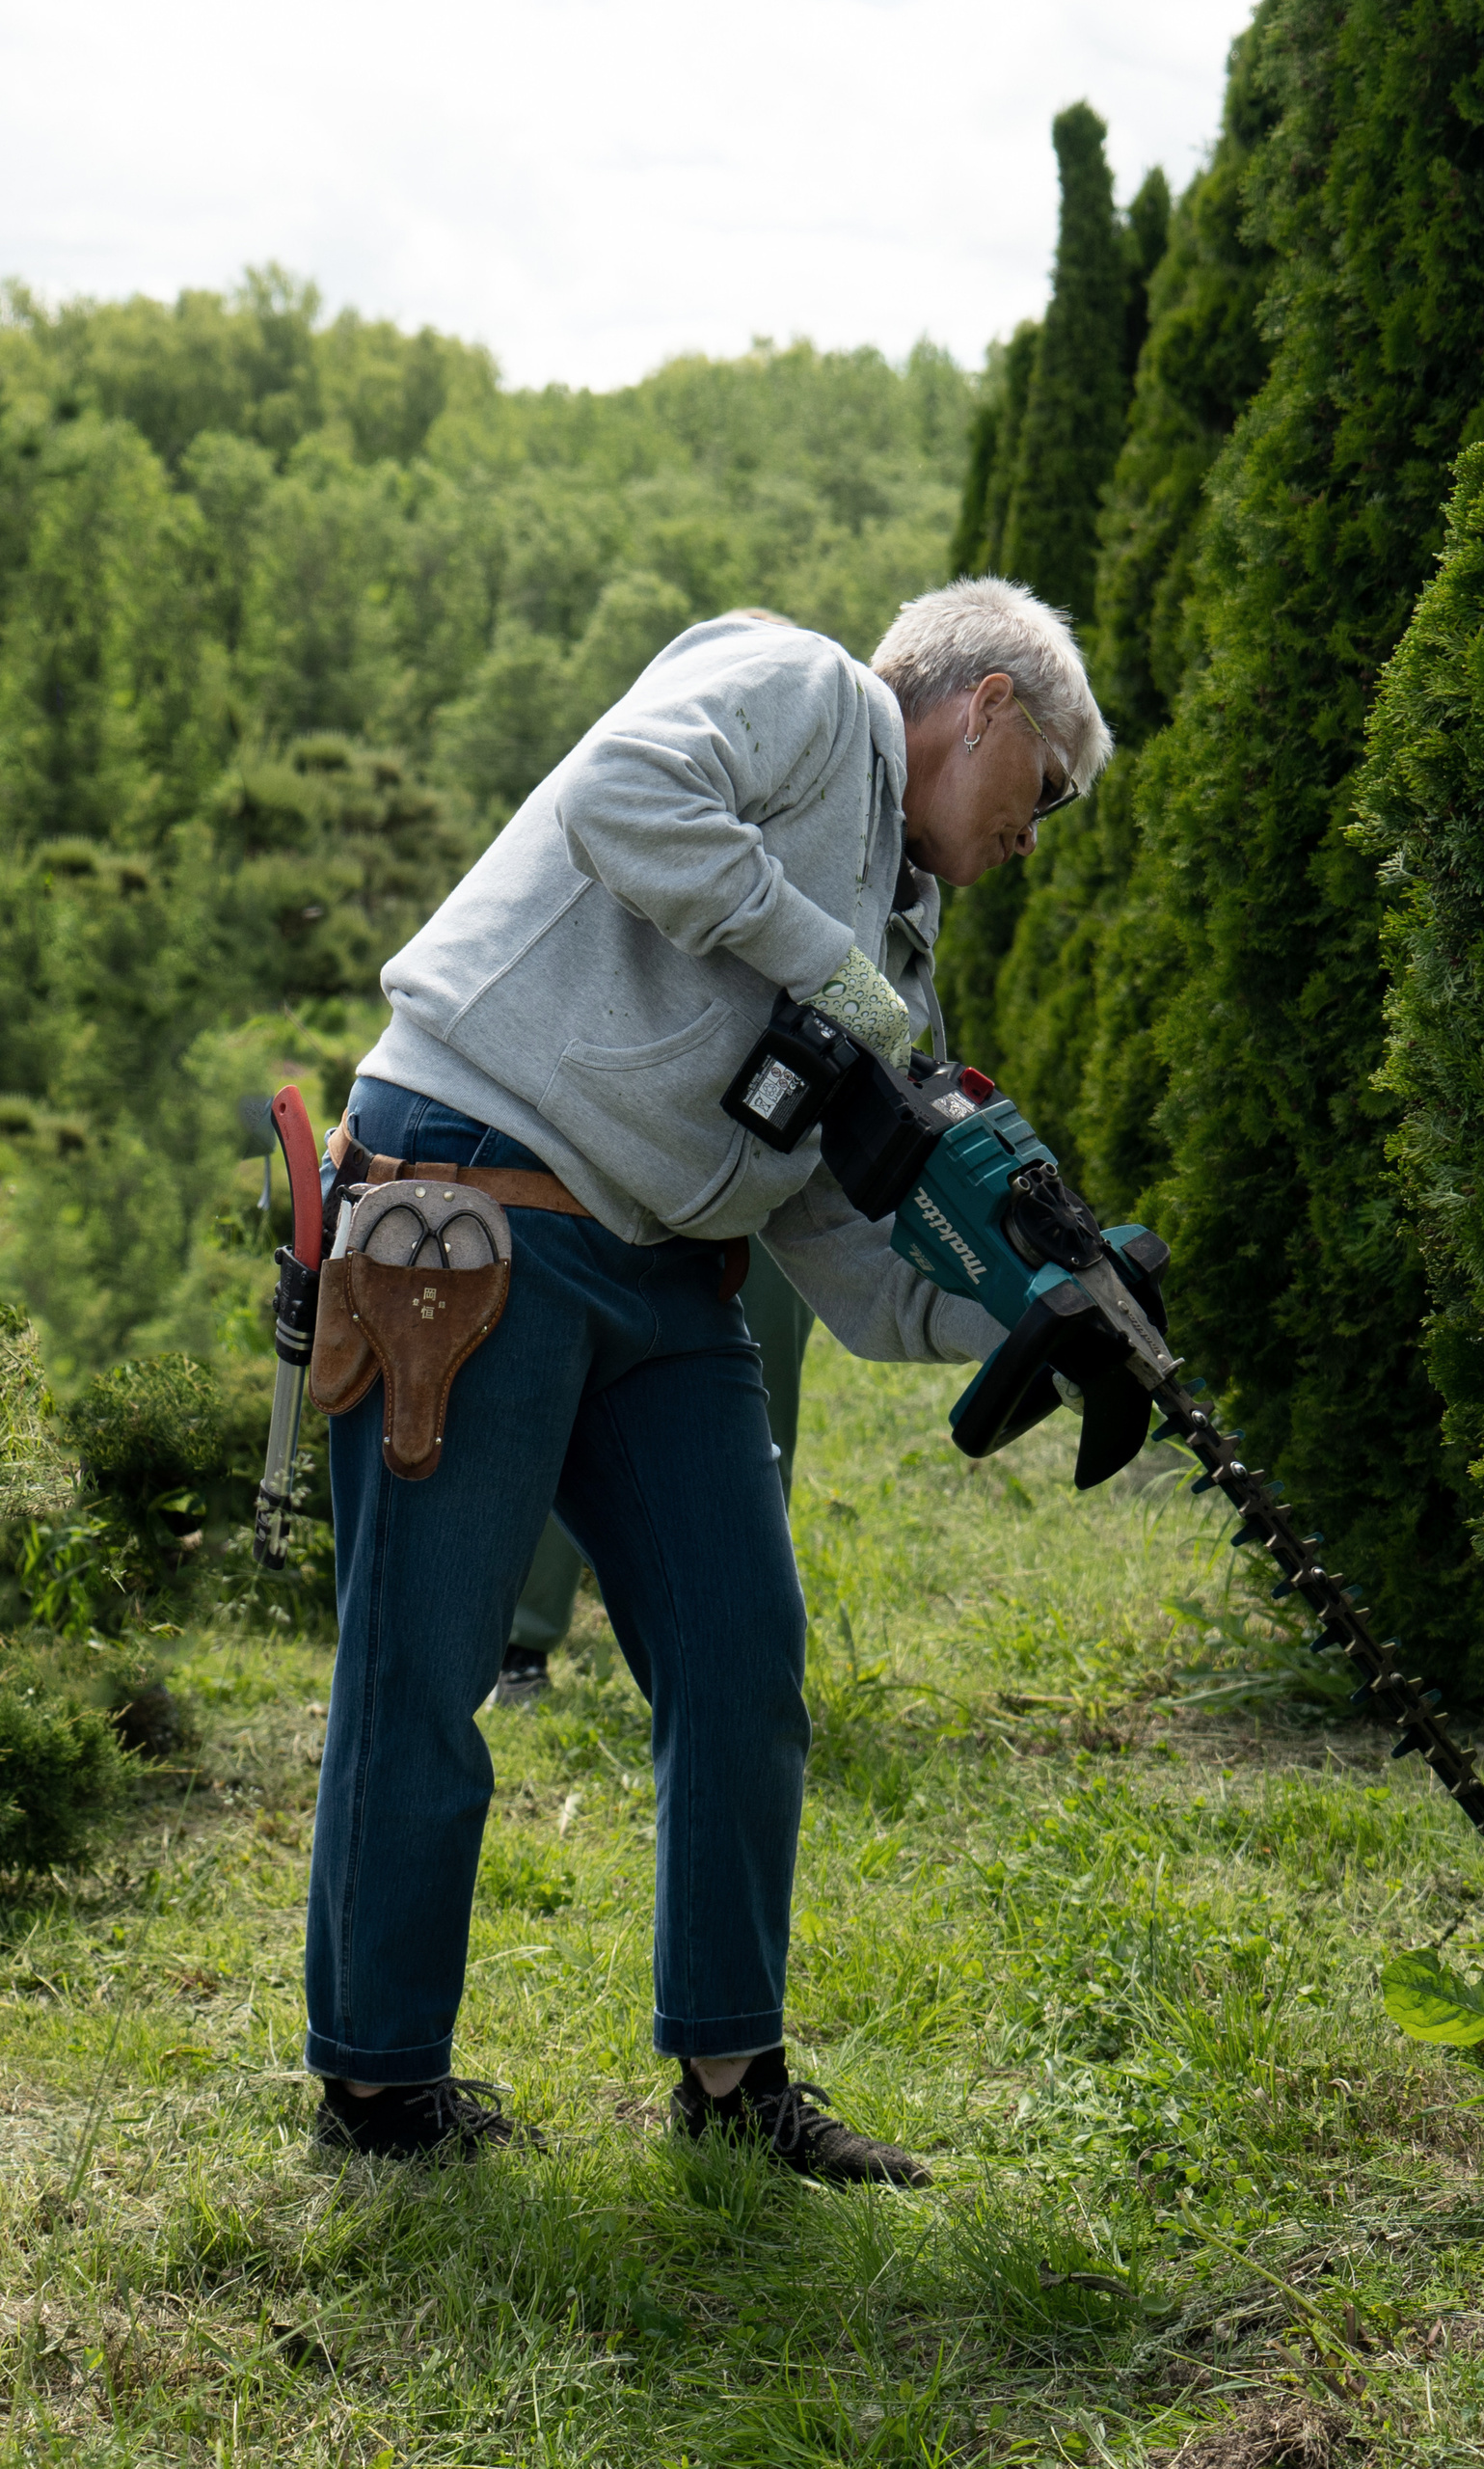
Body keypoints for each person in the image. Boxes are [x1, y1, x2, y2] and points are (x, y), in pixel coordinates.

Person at [306, 582, 1108, 2172]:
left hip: (674, 1274)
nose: (1040, 832)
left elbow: (854, 1261)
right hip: (479, 1201)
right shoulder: (800, 690)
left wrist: (1036, 1314)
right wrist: (835, 978)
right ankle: (380, 2088)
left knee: (743, 1660)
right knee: (427, 1660)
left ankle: (736, 2089)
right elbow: (622, 797)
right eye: (1051, 793)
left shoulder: (896, 938)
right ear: (989, 708)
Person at [491, 1244, 815, 1708]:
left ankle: (742, 1654)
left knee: (759, 1424)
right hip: (626, 1187)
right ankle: (524, 1640)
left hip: (772, 1207)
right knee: (570, 1397)